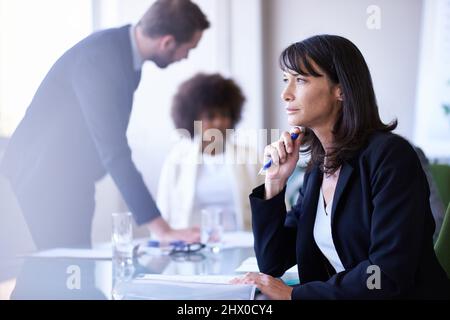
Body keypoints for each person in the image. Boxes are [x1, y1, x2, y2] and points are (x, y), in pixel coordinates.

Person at [232, 35, 450, 299]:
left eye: (300, 80)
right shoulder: (318, 169)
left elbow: (385, 275)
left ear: (342, 90)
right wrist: (275, 183)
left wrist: (294, 296)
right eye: (286, 80)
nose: (286, 93)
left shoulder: (390, 157)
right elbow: (273, 262)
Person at [0, 0, 210, 250]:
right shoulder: (100, 59)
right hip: (43, 179)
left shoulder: (124, 56)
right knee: (58, 274)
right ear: (167, 41)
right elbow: (114, 150)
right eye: (188, 49)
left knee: (75, 271)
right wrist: (161, 229)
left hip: (72, 179)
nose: (185, 57)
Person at [157, 73, 262, 233]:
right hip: (190, 246)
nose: (219, 122)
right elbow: (164, 212)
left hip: (243, 242)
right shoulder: (177, 160)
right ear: (193, 120)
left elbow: (271, 207)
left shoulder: (251, 158)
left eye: (225, 115)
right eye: (210, 116)